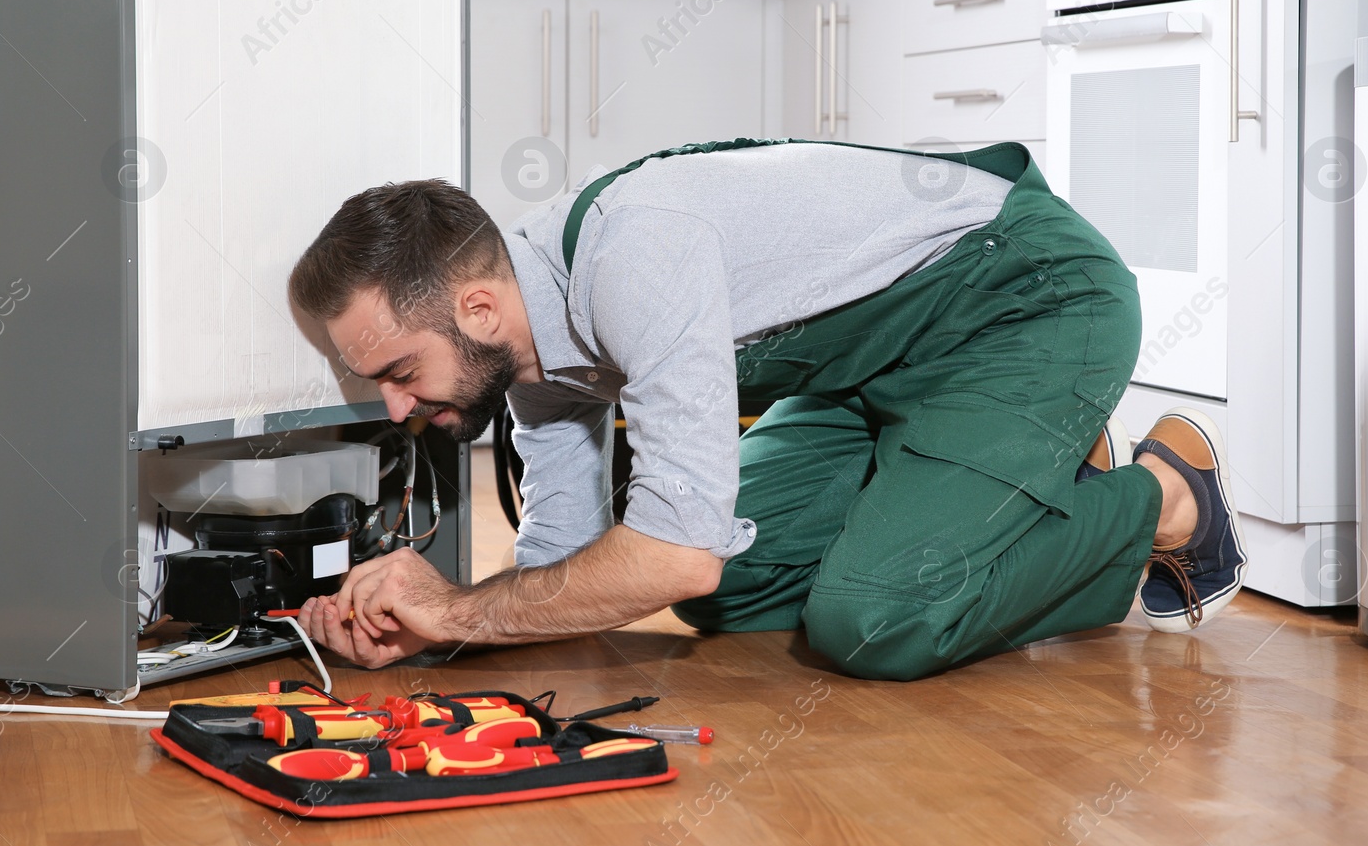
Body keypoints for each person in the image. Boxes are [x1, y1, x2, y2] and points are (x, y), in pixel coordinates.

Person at [288, 139, 1246, 680]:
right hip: (876, 376)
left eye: (402, 369)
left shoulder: (633, 258)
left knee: (871, 622)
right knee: (730, 591)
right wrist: (430, 632)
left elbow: (673, 547)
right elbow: (563, 565)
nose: (394, 403)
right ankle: (1020, 474)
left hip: (1026, 301)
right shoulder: (531, 353)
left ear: (479, 309)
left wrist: (457, 601)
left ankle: (1163, 497)